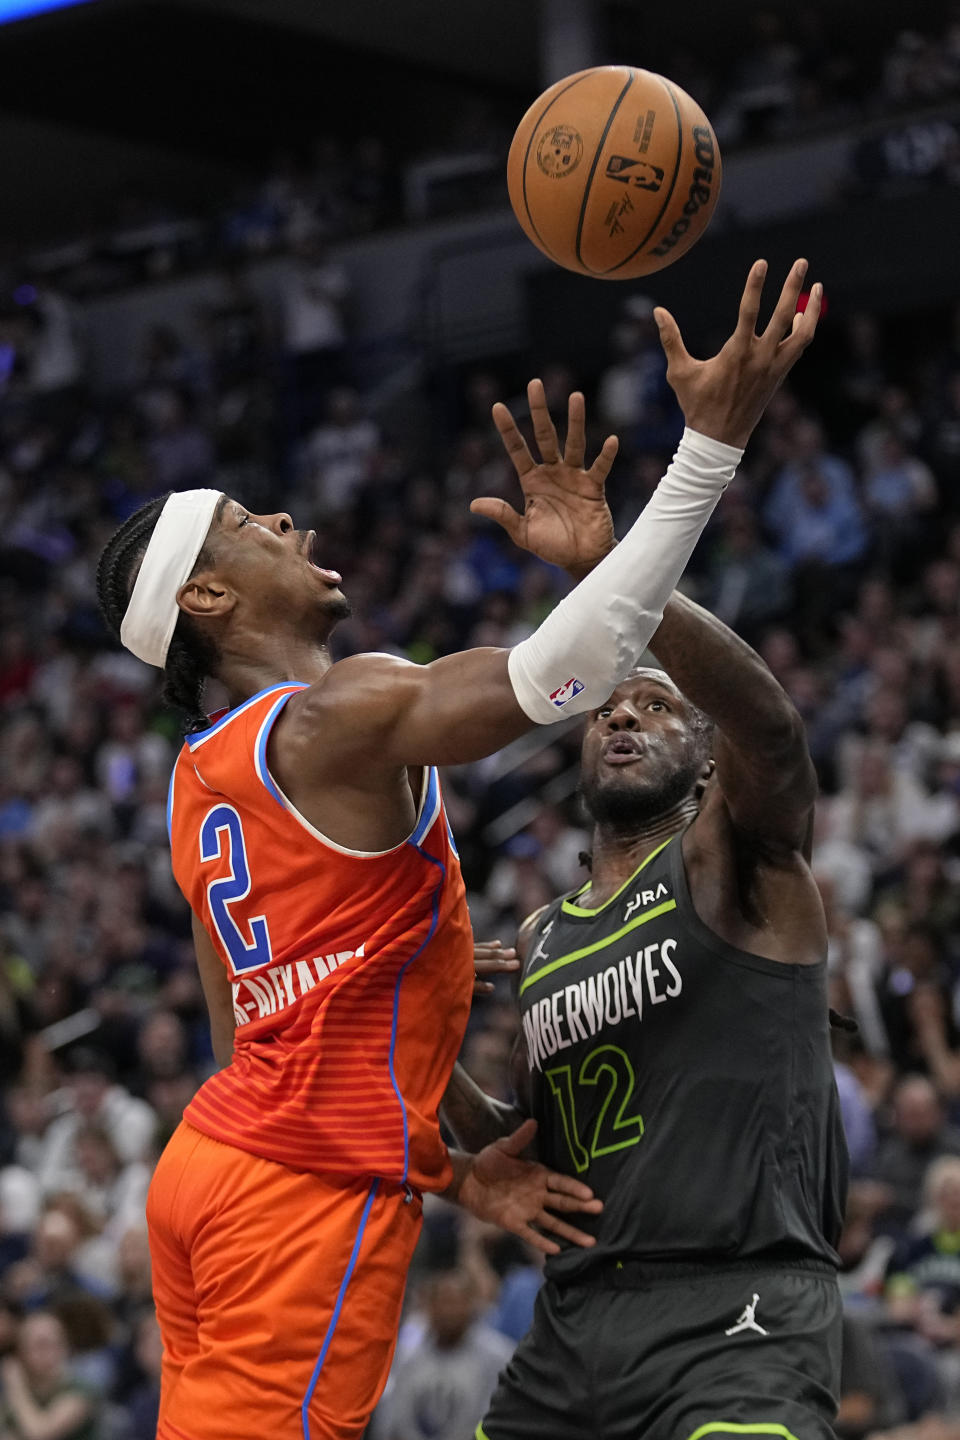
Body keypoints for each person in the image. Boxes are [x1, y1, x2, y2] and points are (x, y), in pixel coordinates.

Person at [94, 258, 820, 1440]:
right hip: (296, 1203)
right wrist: (709, 455)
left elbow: (243, 1035)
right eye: (245, 525)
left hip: (208, 1172)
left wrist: (463, 1149)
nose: (284, 519)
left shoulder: (200, 781)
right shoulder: (338, 713)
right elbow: (563, 675)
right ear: (211, 602)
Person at [442, 469, 848, 1434]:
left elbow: (773, 732)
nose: (621, 715)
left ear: (708, 759)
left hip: (736, 1311)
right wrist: (421, 1026)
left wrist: (620, 578)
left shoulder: (729, 855)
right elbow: (525, 1142)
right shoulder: (544, 933)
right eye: (607, 708)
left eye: (656, 707)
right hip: (576, 1325)